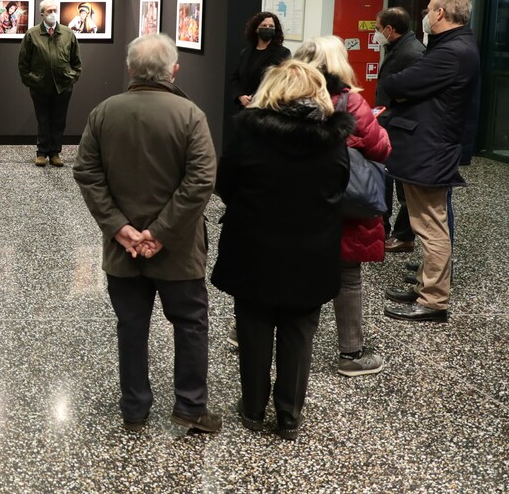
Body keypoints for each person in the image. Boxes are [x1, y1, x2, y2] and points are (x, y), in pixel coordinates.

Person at [73, 33, 220, 434]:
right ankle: (191, 408)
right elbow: (201, 181)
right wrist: (160, 234)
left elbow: (86, 171)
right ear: (174, 70)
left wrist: (120, 228)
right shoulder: (190, 115)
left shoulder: (104, 112)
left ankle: (134, 410)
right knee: (190, 324)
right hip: (179, 248)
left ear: (130, 69)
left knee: (131, 326)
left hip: (123, 251)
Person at [212, 60, 351, 440]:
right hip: (312, 251)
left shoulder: (248, 134)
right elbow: (340, 185)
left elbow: (225, 184)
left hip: (254, 248)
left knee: (254, 328)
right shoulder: (332, 138)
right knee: (299, 332)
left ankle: (253, 409)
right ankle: (289, 415)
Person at [293, 36, 391, 376]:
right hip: (341, 204)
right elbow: (381, 149)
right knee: (347, 276)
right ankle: (350, 355)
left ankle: (247, 334)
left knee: (285, 267)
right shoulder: (350, 103)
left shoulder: (283, 97)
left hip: (293, 202)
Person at [382, 0, 480, 323]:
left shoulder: (451, 52)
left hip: (430, 149)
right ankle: (426, 285)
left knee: (430, 225)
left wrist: (402, 90)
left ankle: (434, 300)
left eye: (429, 8)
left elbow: (398, 85)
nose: (426, 13)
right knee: (424, 221)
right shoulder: (454, 48)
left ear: (440, 13)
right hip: (429, 146)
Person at [373, 6, 426, 253]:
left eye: (377, 28)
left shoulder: (414, 53)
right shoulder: (395, 47)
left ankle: (404, 235)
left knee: (404, 185)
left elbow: (414, 93)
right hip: (388, 123)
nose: (376, 33)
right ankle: (383, 229)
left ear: (389, 29)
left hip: (402, 127)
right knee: (386, 177)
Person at [18, 0, 82, 167]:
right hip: (40, 85)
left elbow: (76, 61)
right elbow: (23, 63)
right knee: (43, 119)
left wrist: (72, 77)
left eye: (55, 10)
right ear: (42, 14)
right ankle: (41, 152)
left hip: (63, 85)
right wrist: (31, 80)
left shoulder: (68, 34)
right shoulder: (32, 34)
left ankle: (55, 152)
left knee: (59, 120)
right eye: (49, 11)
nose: (53, 14)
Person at [228, 11, 291, 113]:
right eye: (264, 25)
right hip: (244, 108)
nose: (267, 28)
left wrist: (254, 98)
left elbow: (280, 82)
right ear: (256, 29)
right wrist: (241, 96)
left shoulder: (283, 53)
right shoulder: (246, 52)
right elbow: (235, 77)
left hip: (266, 110)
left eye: (271, 26)